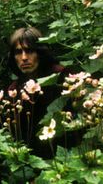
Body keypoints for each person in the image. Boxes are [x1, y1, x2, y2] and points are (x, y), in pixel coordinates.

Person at [6, 27, 67, 157]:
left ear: (40, 52)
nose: (24, 58)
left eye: (29, 51)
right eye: (18, 52)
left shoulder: (60, 76)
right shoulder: (14, 90)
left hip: (65, 154)